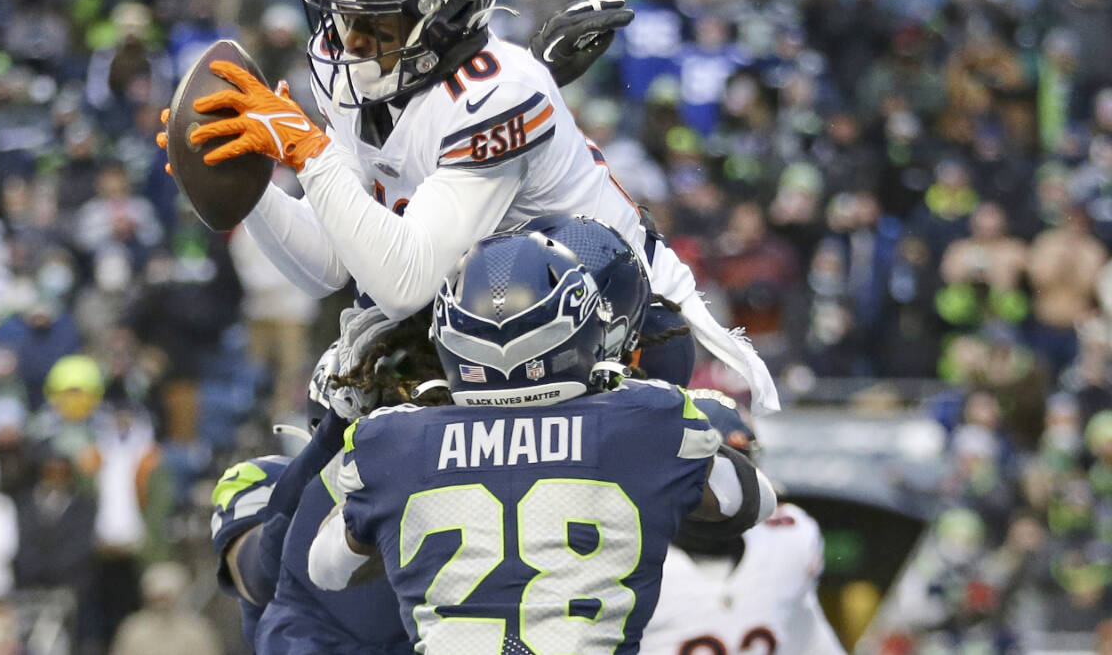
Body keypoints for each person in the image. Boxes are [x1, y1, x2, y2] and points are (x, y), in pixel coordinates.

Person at [160, 0, 778, 416]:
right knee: (312, 512)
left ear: (442, 15)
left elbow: (404, 281)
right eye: (340, 20)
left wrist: (310, 155)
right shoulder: (362, 80)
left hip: (617, 333)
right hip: (502, 325)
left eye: (374, 24)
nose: (346, 44)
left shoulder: (500, 93)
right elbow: (329, 263)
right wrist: (249, 186)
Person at [213, 216, 692, 653]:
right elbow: (263, 573)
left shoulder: (402, 447)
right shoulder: (306, 471)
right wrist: (336, 439)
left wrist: (343, 434)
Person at [307, 229, 777, 653]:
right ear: (584, 325)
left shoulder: (391, 440)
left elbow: (327, 569)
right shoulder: (648, 420)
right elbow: (752, 501)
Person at [639, 390, 847, 655]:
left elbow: (808, 638)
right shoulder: (625, 556)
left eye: (732, 476)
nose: (718, 497)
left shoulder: (788, 539)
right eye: (702, 477)